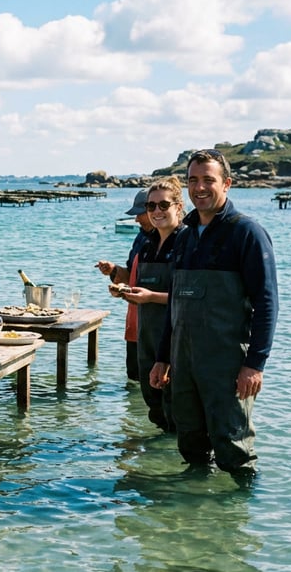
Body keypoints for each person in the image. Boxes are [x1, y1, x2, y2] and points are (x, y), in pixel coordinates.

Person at [150, 149, 278, 482]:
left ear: (227, 184)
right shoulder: (187, 236)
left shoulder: (246, 233)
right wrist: (163, 358)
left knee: (234, 449)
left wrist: (255, 364)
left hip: (226, 364)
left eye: (209, 180)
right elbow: (176, 305)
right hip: (185, 362)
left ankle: (237, 519)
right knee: (190, 442)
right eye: (193, 180)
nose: (200, 188)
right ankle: (194, 518)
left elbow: (267, 303)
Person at [118, 177, 184, 432]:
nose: (156, 212)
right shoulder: (146, 246)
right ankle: (158, 462)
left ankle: (177, 465)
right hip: (146, 338)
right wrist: (128, 291)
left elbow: (193, 300)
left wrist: (151, 297)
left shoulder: (187, 242)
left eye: (163, 205)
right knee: (154, 406)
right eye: (151, 207)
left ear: (178, 207)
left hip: (176, 342)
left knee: (178, 411)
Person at [96, 189, 153, 382]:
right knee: (135, 381)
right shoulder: (141, 237)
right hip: (135, 326)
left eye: (140, 213)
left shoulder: (179, 239)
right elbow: (130, 278)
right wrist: (113, 271)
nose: (137, 219)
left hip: (157, 330)